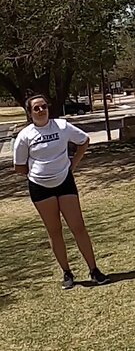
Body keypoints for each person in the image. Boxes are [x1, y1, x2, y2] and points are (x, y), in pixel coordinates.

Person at [12, 95, 108, 289]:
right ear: (30, 113)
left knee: (78, 226)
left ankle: (94, 269)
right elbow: (19, 167)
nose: (41, 111)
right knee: (55, 231)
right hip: (40, 187)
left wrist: (72, 165)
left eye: (44, 107)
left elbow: (84, 141)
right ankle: (66, 272)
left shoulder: (62, 126)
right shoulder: (25, 135)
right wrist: (38, 175)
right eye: (36, 109)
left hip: (65, 182)